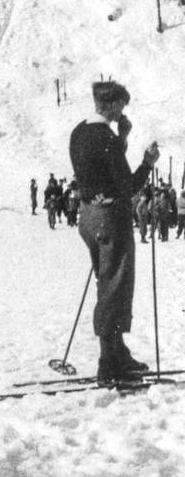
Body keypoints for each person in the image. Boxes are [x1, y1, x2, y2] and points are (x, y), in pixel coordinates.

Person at [69, 80, 159, 382]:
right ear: (113, 105)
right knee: (116, 285)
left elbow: (100, 167)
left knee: (106, 283)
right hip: (111, 218)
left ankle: (117, 351)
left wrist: (121, 137)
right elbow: (127, 185)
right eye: (122, 104)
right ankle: (109, 361)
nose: (124, 110)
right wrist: (147, 163)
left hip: (88, 217)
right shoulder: (104, 136)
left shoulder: (80, 131)